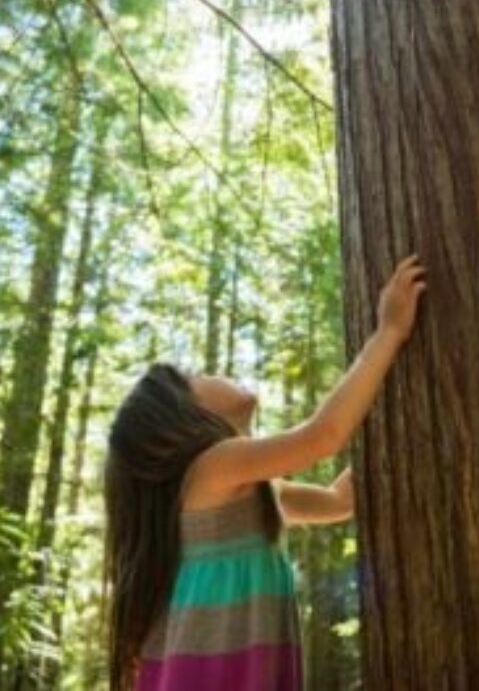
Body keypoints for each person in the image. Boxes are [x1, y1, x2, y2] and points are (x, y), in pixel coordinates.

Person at [102, 252, 427, 690]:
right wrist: (388, 333)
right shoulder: (213, 467)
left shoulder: (249, 490)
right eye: (196, 375)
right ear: (179, 417)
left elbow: (338, 501)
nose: (213, 372)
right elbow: (321, 437)